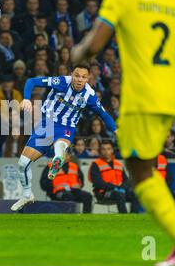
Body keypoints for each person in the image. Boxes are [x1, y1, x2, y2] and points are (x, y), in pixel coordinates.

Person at [71, 0, 175, 266]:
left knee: (140, 172)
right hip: (169, 97)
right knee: (144, 168)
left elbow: (95, 44)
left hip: (141, 98)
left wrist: (79, 51)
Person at [11, 63, 117, 211]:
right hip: (46, 125)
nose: (80, 80)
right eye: (77, 75)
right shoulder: (60, 82)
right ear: (72, 75)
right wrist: (27, 98)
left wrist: (116, 131)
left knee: (60, 145)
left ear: (88, 79)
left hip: (66, 127)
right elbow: (32, 81)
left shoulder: (90, 96)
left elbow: (104, 115)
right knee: (23, 163)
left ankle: (58, 158)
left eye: (84, 77)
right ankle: (27, 194)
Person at [89, 140, 140, 213]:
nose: (106, 151)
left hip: (119, 190)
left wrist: (122, 187)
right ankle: (124, 217)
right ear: (100, 151)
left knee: (136, 194)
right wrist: (114, 187)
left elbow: (126, 180)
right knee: (119, 194)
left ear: (112, 150)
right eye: (103, 149)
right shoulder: (96, 164)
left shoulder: (118, 164)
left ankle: (133, 217)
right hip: (103, 193)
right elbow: (97, 183)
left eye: (108, 149)